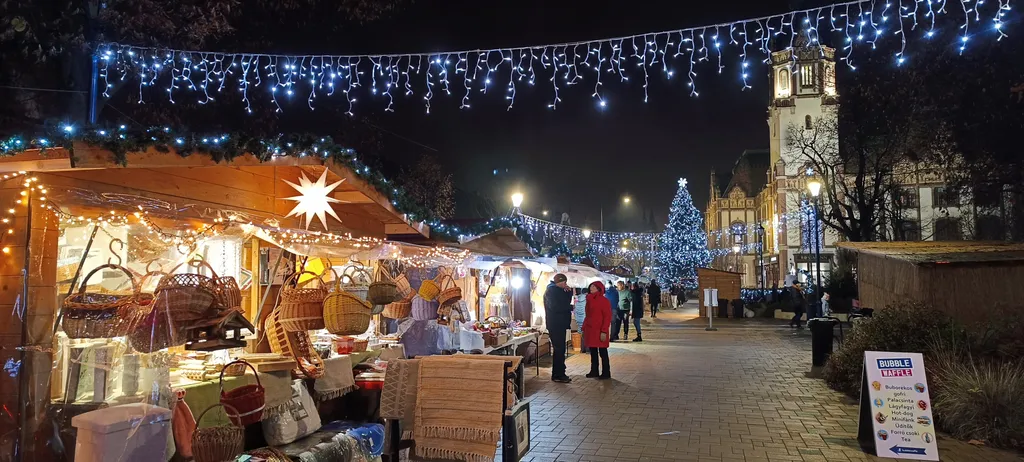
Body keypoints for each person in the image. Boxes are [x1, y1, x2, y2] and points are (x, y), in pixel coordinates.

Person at [543, 273, 574, 383]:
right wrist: (570, 307)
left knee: (560, 349)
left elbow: (565, 301)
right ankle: (558, 374)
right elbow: (556, 307)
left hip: (560, 324)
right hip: (555, 324)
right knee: (559, 349)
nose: (566, 284)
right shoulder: (552, 291)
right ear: (559, 282)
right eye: (564, 282)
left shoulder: (558, 290)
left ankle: (560, 372)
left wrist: (569, 292)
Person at [583, 281, 612, 379]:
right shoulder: (589, 299)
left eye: (594, 286)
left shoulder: (604, 301)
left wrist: (604, 330)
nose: (591, 287)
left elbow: (607, 317)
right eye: (591, 286)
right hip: (591, 329)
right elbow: (588, 315)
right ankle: (594, 370)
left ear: (599, 289)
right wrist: (585, 326)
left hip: (600, 329)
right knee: (593, 351)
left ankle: (606, 372)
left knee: (603, 351)